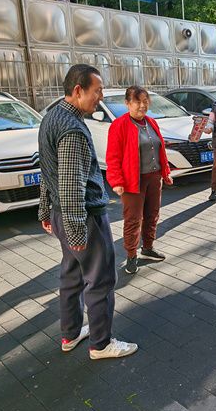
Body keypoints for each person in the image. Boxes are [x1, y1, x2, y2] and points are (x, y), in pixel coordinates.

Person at [38, 64, 137, 360]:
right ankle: (101, 344)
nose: (101, 96)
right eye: (97, 91)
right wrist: (77, 231)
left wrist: (45, 211)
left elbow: (46, 170)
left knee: (71, 276)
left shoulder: (51, 117)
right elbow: (71, 185)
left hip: (62, 214)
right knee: (100, 279)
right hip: (84, 217)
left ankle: (70, 334)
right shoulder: (72, 129)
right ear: (78, 90)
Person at [105, 86, 173, 274]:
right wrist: (116, 181)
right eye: (137, 102)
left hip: (154, 177)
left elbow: (160, 150)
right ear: (127, 103)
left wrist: (165, 172)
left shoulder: (151, 122)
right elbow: (113, 157)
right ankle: (131, 255)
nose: (142, 105)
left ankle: (148, 248)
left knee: (152, 215)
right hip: (132, 180)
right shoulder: (119, 125)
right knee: (133, 219)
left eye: (145, 101)